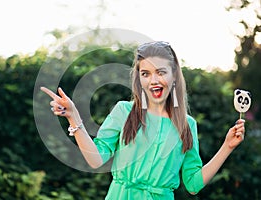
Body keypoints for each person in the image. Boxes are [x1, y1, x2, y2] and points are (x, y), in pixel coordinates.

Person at [40, 41, 245, 199]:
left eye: (161, 72)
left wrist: (227, 146)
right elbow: (96, 159)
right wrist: (73, 118)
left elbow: (193, 184)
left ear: (174, 75)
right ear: (138, 78)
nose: (153, 80)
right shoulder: (123, 111)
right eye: (145, 73)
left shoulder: (187, 124)